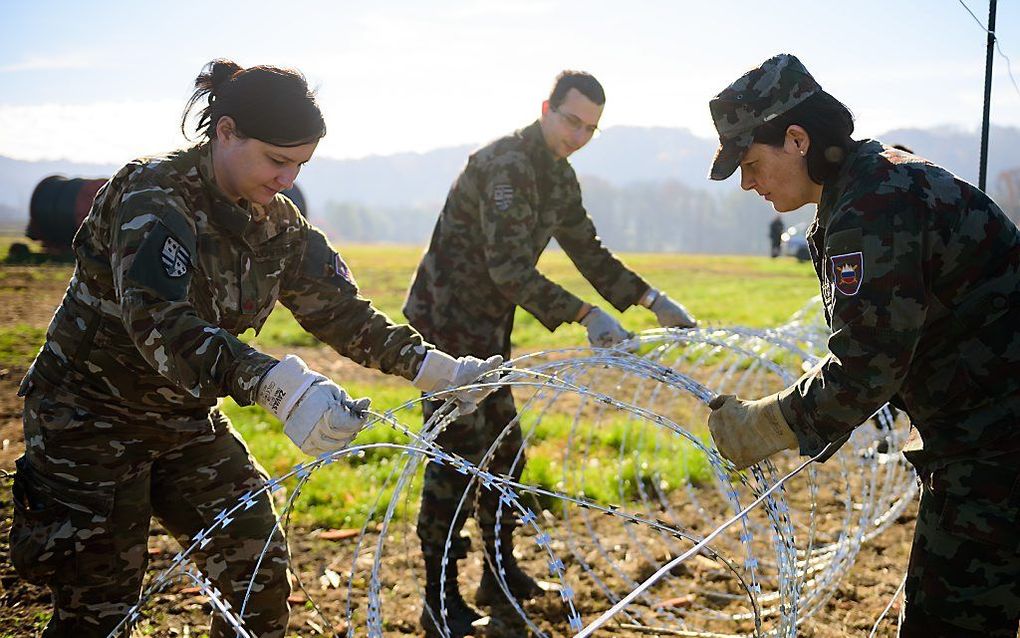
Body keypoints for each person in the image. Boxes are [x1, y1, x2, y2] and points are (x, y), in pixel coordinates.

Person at [8, 59, 501, 638]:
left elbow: (341, 311)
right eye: (276, 159)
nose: (287, 179)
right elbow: (159, 323)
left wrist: (432, 368)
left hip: (183, 422)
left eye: (299, 164)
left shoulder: (278, 225)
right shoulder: (155, 196)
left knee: (257, 573)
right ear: (226, 132)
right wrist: (273, 383)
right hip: (90, 424)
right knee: (99, 610)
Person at [705, 54, 1020, 637]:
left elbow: (867, 367)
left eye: (750, 163)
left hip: (995, 447)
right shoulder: (873, 180)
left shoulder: (871, 208)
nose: (748, 184)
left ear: (796, 139)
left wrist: (766, 425)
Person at [403, 70, 698, 637]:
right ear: (546, 108)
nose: (579, 135)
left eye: (591, 127)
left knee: (506, 451)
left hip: (487, 326)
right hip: (445, 323)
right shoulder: (506, 166)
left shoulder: (558, 177)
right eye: (572, 120)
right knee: (455, 455)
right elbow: (507, 266)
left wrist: (652, 300)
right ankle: (438, 597)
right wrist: (586, 315)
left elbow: (587, 247)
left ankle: (499, 573)